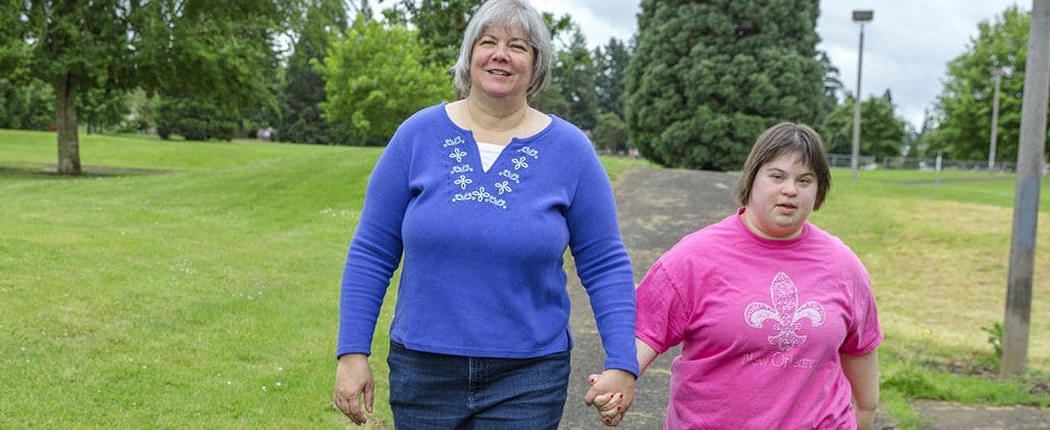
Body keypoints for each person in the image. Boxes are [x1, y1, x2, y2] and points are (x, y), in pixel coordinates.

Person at [332, 0, 638, 427]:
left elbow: (605, 263)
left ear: (536, 65)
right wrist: (352, 353)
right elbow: (371, 251)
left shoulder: (572, 151)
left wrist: (622, 361)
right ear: (469, 55)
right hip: (423, 371)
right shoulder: (416, 136)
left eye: (518, 46)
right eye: (488, 41)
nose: (500, 54)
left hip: (529, 378)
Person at [590, 123, 882, 429]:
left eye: (805, 180)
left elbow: (860, 348)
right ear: (752, 178)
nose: (790, 190)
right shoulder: (695, 257)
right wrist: (620, 377)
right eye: (777, 176)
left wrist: (866, 411)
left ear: (819, 189)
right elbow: (646, 330)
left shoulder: (842, 264)